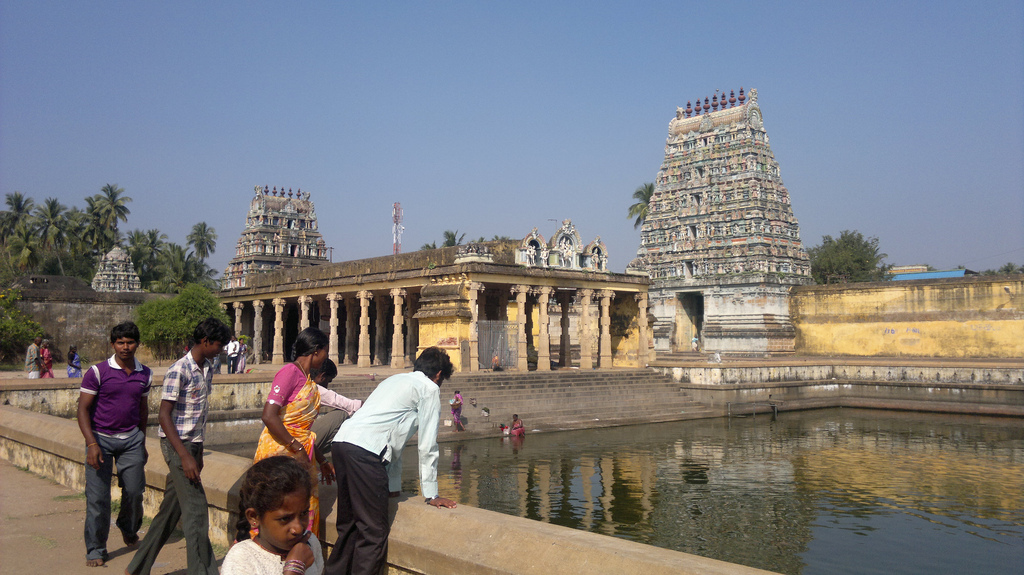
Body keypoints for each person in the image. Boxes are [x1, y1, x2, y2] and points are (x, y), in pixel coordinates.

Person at [326, 347, 458, 575]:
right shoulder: (429, 389)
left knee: (348, 525)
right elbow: (427, 445)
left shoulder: (395, 380)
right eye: (442, 380)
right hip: (365, 452)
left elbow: (395, 436)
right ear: (438, 375)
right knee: (373, 532)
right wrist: (432, 493)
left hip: (342, 443)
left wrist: (393, 486)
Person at [125, 317, 231, 575]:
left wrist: (198, 451)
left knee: (170, 512)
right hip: (177, 445)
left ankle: (136, 568)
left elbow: (199, 414)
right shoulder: (179, 370)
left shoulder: (208, 367)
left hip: (192, 444)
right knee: (196, 511)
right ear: (205, 341)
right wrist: (184, 456)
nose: (221, 349)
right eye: (219, 344)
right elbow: (164, 416)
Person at [76, 322, 152, 567]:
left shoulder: (144, 374)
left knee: (134, 491)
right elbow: (83, 410)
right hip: (100, 439)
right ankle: (96, 549)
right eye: (120, 342)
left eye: (130, 342)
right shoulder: (98, 372)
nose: (125, 347)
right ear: (112, 344)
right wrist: (91, 443)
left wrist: (141, 439)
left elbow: (142, 409)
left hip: (131, 439)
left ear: (137, 344)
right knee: (98, 499)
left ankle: (128, 527)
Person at [253, 327, 335, 538]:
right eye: (326, 350)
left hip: (300, 453)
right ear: (316, 351)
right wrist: (296, 447)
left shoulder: (306, 378)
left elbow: (303, 430)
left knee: (301, 511)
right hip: (281, 452)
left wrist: (322, 461)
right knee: (279, 510)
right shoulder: (290, 372)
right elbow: (269, 416)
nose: (327, 356)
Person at [222, 456, 324, 575]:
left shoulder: (310, 544)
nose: (298, 528)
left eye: (304, 513)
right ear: (254, 517)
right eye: (285, 519)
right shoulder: (241, 560)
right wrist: (294, 569)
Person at [309, 359, 362, 461]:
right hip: (298, 442)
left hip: (294, 438)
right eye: (328, 381)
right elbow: (345, 403)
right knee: (340, 414)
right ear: (322, 376)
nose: (327, 386)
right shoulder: (312, 388)